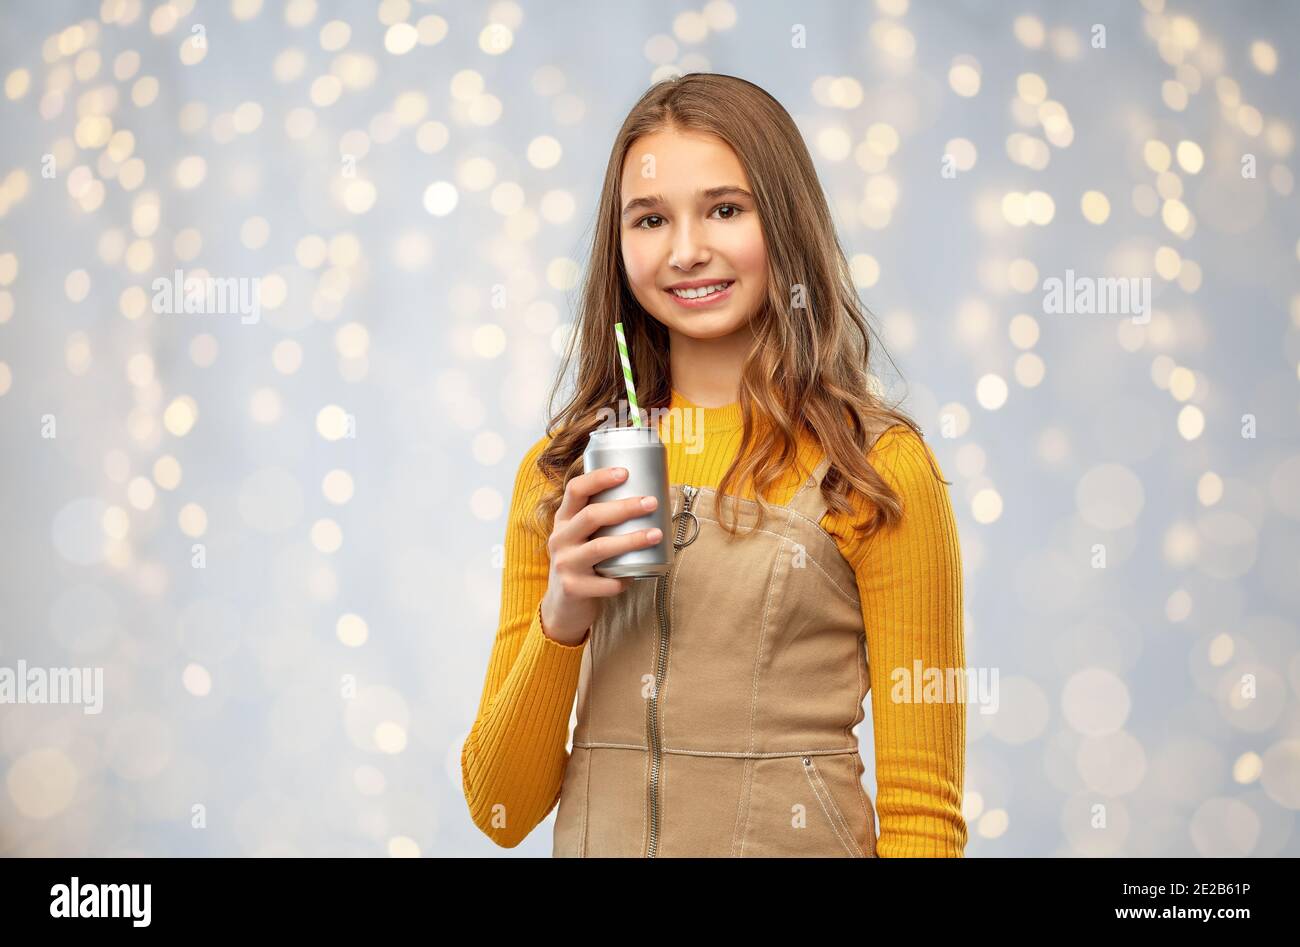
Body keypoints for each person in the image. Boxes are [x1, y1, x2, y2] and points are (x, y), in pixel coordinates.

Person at [461, 73, 968, 857]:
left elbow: (922, 815)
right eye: (651, 219)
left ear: (786, 221)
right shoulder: (561, 474)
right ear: (618, 243)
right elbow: (499, 808)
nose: (687, 249)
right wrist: (561, 617)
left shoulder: (872, 467)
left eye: (725, 210)